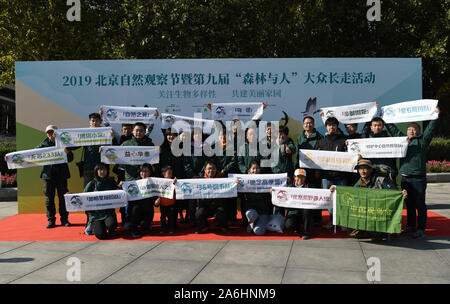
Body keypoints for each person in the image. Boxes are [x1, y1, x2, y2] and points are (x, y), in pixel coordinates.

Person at [384, 106, 440, 239]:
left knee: (420, 204)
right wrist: (385, 118)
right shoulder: (402, 140)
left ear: (418, 131)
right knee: (408, 204)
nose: (411, 131)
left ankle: (421, 229)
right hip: (405, 178)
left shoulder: (423, 141)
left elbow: (430, 130)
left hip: (418, 179)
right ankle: (410, 226)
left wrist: (435, 117)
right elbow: (393, 129)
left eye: (414, 129)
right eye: (409, 129)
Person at [330, 159, 407, 242]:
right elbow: (351, 193)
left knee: (377, 233)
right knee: (352, 232)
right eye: (360, 169)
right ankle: (372, 232)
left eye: (365, 168)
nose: (362, 171)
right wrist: (336, 189)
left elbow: (393, 193)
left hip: (379, 213)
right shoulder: (360, 181)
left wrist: (401, 193)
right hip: (366, 213)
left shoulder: (381, 179)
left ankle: (382, 232)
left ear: (371, 169)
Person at [34, 125, 73, 228]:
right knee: (49, 199)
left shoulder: (63, 143)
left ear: (57, 133)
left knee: (63, 199)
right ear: (47, 134)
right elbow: (31, 155)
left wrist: (67, 152)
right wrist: (11, 158)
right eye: (49, 133)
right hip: (48, 176)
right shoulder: (43, 145)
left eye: (53, 132)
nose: (51, 134)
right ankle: (51, 220)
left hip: (62, 175)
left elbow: (70, 158)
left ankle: (64, 220)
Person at [315, 117, 349, 230]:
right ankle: (332, 221)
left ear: (337, 126)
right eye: (329, 125)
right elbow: (315, 159)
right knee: (329, 201)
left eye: (334, 125)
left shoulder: (344, 141)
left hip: (341, 176)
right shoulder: (321, 142)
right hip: (326, 177)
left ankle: (343, 222)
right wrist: (317, 172)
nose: (331, 127)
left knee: (342, 200)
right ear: (326, 127)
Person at [295, 116, 324, 227]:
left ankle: (317, 219)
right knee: (303, 194)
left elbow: (321, 156)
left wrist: (318, 170)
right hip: (303, 171)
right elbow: (297, 154)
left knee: (315, 194)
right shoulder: (300, 137)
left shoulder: (319, 137)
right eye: (306, 123)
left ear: (313, 124)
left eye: (310, 123)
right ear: (303, 125)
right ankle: (303, 218)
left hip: (314, 171)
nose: (308, 125)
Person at [83, 163, 119, 240]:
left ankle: (107, 225)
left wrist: (120, 186)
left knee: (112, 225)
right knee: (101, 235)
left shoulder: (111, 181)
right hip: (96, 215)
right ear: (96, 171)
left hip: (108, 212)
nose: (102, 171)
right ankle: (91, 225)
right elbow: (83, 197)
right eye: (100, 169)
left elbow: (118, 192)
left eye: (104, 169)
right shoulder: (92, 183)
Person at [195, 161, 231, 234]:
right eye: (209, 169)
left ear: (216, 169)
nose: (211, 171)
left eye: (213, 169)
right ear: (205, 170)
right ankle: (204, 226)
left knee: (221, 213)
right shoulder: (200, 180)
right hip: (205, 206)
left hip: (218, 206)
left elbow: (231, 184)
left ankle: (223, 226)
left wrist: (235, 182)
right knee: (199, 214)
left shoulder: (222, 179)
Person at [361, 117, 398, 185]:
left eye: (379, 125)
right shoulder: (365, 141)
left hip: (388, 174)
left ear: (383, 126)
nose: (377, 127)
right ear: (371, 127)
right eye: (375, 125)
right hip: (372, 175)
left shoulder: (391, 140)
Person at [241, 161, 272, 236]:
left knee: (259, 232)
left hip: (262, 211)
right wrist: (237, 183)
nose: (255, 171)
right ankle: (251, 222)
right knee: (251, 214)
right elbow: (237, 192)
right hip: (251, 210)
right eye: (253, 169)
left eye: (257, 168)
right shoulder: (245, 181)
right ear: (249, 171)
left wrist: (271, 192)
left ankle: (258, 222)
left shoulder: (265, 181)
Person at [284, 169, 313, 240]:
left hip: (304, 212)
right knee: (289, 225)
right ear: (294, 177)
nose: (300, 178)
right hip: (293, 211)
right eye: (298, 176)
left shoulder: (309, 187)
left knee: (307, 210)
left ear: (305, 178)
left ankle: (307, 232)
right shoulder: (289, 187)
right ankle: (297, 228)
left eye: (302, 176)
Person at [154, 166, 177, 234]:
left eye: (171, 173)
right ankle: (163, 228)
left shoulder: (173, 181)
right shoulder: (160, 182)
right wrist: (158, 199)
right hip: (163, 204)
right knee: (163, 218)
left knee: (171, 217)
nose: (171, 175)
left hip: (171, 203)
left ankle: (171, 228)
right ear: (164, 174)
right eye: (169, 173)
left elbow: (177, 191)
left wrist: (175, 183)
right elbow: (158, 192)